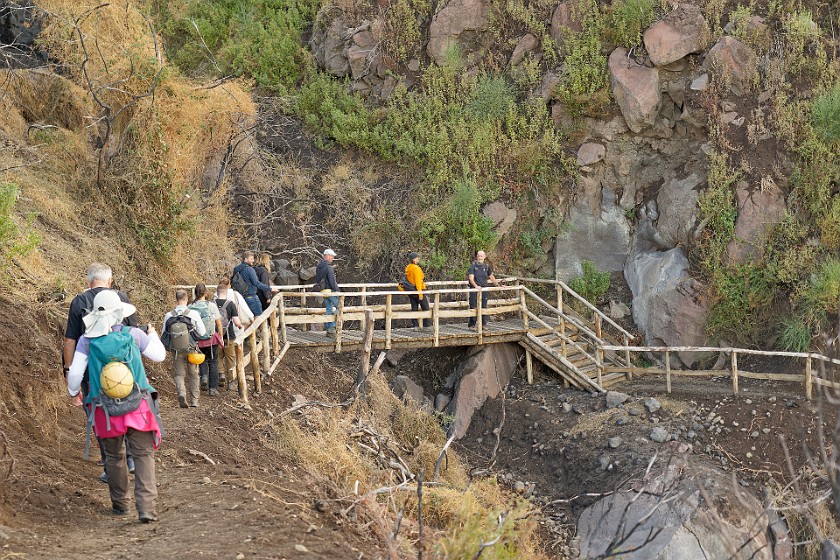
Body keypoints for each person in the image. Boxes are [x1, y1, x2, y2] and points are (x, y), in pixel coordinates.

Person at [66, 290, 166, 523]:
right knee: (143, 455)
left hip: (104, 409)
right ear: (120, 313)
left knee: (113, 456)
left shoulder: (86, 341)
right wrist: (153, 335)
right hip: (138, 405)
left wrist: (74, 392)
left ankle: (121, 505)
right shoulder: (134, 334)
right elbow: (159, 356)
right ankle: (146, 508)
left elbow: (75, 376)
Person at [63, 263, 137, 482]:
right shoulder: (123, 299)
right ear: (110, 281)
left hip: (90, 369)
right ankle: (130, 456)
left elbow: (70, 340)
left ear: (88, 282)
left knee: (97, 414)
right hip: (123, 367)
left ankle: (110, 463)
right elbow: (132, 334)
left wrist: (69, 370)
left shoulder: (79, 301)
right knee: (126, 407)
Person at [161, 289, 206, 408]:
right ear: (186, 299)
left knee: (178, 374)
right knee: (193, 374)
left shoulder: (169, 315)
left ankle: (181, 393)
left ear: (176, 300)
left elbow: (164, 334)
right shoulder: (193, 314)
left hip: (176, 350)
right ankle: (195, 401)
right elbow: (202, 332)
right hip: (191, 349)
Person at [189, 284, 224, 397]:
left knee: (202, 360)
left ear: (195, 293)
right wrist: (221, 337)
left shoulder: (190, 307)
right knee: (213, 362)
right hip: (210, 339)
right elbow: (218, 323)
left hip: (197, 339)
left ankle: (204, 377)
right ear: (206, 293)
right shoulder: (211, 306)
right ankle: (212, 389)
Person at [214, 277, 244, 391]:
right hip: (229, 335)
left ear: (217, 292)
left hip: (216, 335)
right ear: (226, 292)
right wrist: (241, 326)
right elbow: (237, 322)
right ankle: (230, 382)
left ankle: (221, 374)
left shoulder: (212, 304)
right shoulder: (230, 304)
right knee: (230, 358)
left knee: (218, 356)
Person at [232, 251, 274, 317]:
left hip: (240, 296)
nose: (253, 261)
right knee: (259, 317)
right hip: (251, 296)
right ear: (245, 259)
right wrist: (269, 288)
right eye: (251, 259)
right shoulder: (250, 269)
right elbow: (256, 283)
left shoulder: (236, 269)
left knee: (245, 317)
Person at [467, 250, 498, 330]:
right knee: (473, 306)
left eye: (481, 256)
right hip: (474, 289)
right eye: (478, 256)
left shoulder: (486, 266)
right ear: (477, 257)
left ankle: (484, 324)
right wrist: (476, 286)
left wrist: (498, 285)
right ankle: (472, 325)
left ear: (484, 257)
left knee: (484, 306)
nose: (480, 257)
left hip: (484, 289)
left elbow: (491, 277)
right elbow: (471, 278)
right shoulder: (473, 266)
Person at [399, 252, 430, 329]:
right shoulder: (416, 269)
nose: (418, 259)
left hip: (411, 291)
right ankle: (426, 326)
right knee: (426, 308)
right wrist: (420, 294)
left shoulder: (408, 268)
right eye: (417, 258)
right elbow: (418, 282)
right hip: (417, 290)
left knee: (414, 308)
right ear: (414, 259)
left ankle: (415, 326)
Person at [315, 248, 340, 336]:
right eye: (332, 256)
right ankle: (332, 327)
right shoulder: (329, 267)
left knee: (329, 309)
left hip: (323, 291)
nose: (333, 258)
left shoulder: (319, 267)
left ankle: (329, 329)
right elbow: (332, 281)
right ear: (328, 256)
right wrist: (337, 291)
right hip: (330, 291)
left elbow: (318, 279)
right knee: (340, 307)